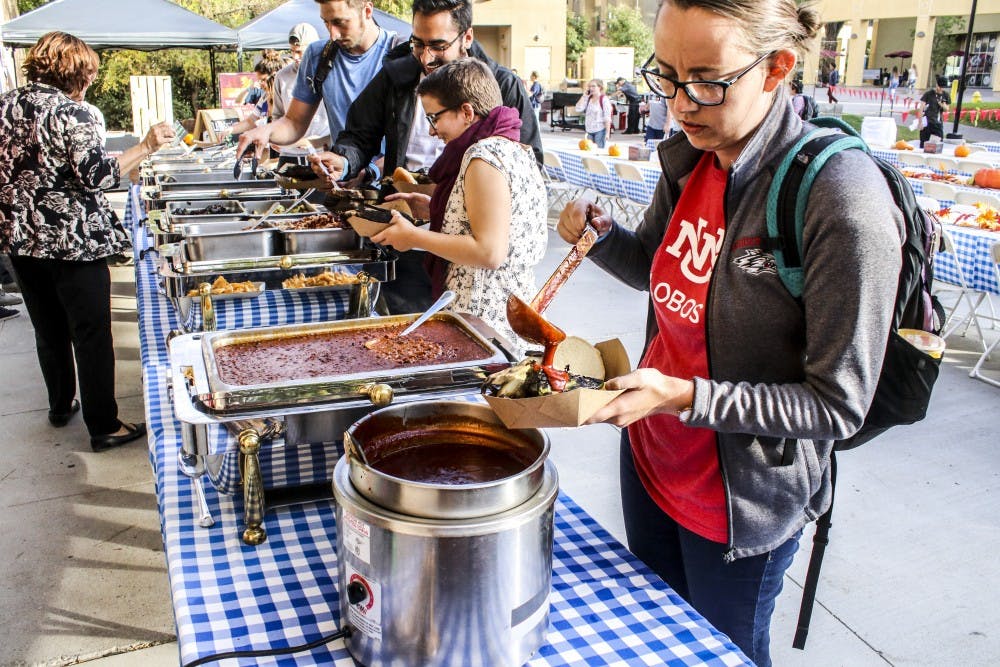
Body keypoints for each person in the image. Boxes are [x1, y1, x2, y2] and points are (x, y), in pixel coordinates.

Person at [557, 0, 903, 664]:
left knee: (724, 653)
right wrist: (602, 239)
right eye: (667, 75)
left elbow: (838, 404)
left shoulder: (839, 196)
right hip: (653, 460)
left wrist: (686, 396)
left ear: (777, 67)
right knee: (657, 644)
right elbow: (657, 268)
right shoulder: (694, 155)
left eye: (709, 80)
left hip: (739, 502)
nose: (682, 105)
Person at [306, 0, 543, 315]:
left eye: (438, 45)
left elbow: (522, 179)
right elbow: (359, 136)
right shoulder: (395, 76)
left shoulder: (502, 94)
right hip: (412, 234)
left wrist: (450, 207)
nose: (426, 56)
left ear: (466, 38)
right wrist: (344, 160)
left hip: (480, 286)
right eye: (417, 43)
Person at [0, 32, 174, 451]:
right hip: (72, 242)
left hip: (22, 240)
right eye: (90, 74)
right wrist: (145, 145)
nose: (92, 83)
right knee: (91, 333)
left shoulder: (5, 105)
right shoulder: (72, 112)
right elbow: (98, 175)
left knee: (48, 329)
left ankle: (60, 405)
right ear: (75, 72)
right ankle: (103, 425)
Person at [370, 58, 547, 355]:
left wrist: (412, 238)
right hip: (507, 312)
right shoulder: (515, 148)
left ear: (466, 111)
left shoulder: (483, 156)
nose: (431, 131)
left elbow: (489, 252)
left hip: (482, 318)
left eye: (434, 118)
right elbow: (499, 222)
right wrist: (436, 209)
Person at [237, 0, 397, 162]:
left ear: (367, 11)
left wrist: (370, 171)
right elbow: (294, 123)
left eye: (339, 22)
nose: (333, 34)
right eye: (326, 23)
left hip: (394, 180)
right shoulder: (318, 56)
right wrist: (265, 132)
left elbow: (414, 147)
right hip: (341, 178)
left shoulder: (401, 55)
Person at [271, 22, 331, 147]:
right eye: (292, 51)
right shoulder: (282, 76)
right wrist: (276, 137)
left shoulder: (331, 73)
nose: (295, 57)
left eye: (299, 52)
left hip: (324, 150)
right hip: (291, 151)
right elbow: (278, 115)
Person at [220, 50, 285, 141]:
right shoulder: (264, 98)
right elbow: (251, 121)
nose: (260, 84)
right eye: (259, 80)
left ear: (275, 76)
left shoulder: (286, 98)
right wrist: (230, 130)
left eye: (263, 80)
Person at [576, 79, 613, 148]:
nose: (591, 88)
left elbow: (607, 117)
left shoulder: (604, 99)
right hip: (589, 130)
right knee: (589, 152)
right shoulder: (588, 98)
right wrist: (584, 96)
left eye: (593, 86)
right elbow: (578, 108)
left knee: (598, 151)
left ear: (600, 87)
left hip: (600, 130)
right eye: (589, 86)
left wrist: (607, 133)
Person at [915, 75, 951, 147]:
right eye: (939, 86)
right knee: (923, 144)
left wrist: (942, 105)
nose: (940, 89)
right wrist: (920, 122)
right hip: (927, 122)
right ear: (937, 84)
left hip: (937, 123)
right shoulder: (929, 94)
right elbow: (921, 108)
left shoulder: (946, 95)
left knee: (938, 144)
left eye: (942, 87)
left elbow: (947, 108)